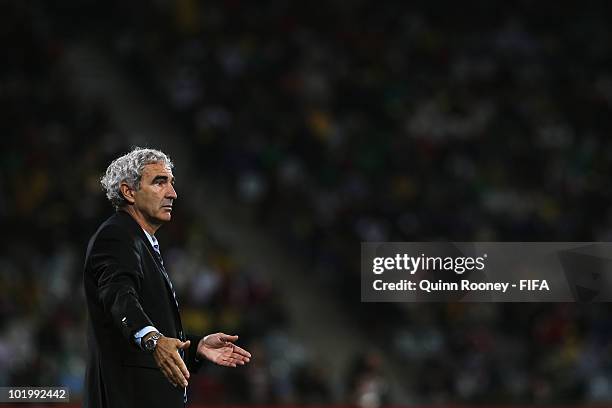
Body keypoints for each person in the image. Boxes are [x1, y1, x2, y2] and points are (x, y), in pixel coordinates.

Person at [83, 147, 251, 407]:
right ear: (129, 192)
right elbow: (117, 295)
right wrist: (154, 340)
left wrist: (195, 348)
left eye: (171, 183)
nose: (173, 193)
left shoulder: (141, 241)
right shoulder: (116, 235)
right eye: (160, 182)